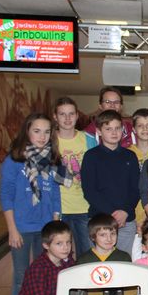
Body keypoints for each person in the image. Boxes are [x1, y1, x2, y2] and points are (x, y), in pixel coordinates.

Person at [1, 113, 70, 295]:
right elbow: (6, 195)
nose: (42, 136)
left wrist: (56, 225)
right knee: (21, 278)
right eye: (37, 131)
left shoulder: (52, 160)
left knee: (48, 277)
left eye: (47, 132)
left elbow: (56, 195)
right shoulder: (14, 160)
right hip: (21, 228)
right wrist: (12, 229)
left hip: (45, 229)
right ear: (27, 132)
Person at [81, 110, 140, 255]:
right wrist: (112, 215)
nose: (114, 133)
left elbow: (135, 189)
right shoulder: (91, 157)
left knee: (123, 263)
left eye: (117, 128)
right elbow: (89, 191)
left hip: (126, 221)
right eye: (108, 129)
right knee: (100, 264)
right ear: (99, 131)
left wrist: (125, 211)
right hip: (100, 222)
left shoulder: (130, 156)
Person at [53, 97, 96, 256]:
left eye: (71, 114)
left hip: (84, 207)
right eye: (62, 114)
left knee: (86, 256)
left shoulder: (89, 140)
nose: (67, 118)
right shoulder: (49, 141)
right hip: (58, 209)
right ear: (55, 117)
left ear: (77, 115)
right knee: (60, 257)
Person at [128, 108, 148, 224]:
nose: (145, 129)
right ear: (134, 129)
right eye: (140, 126)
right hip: (131, 213)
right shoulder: (126, 154)